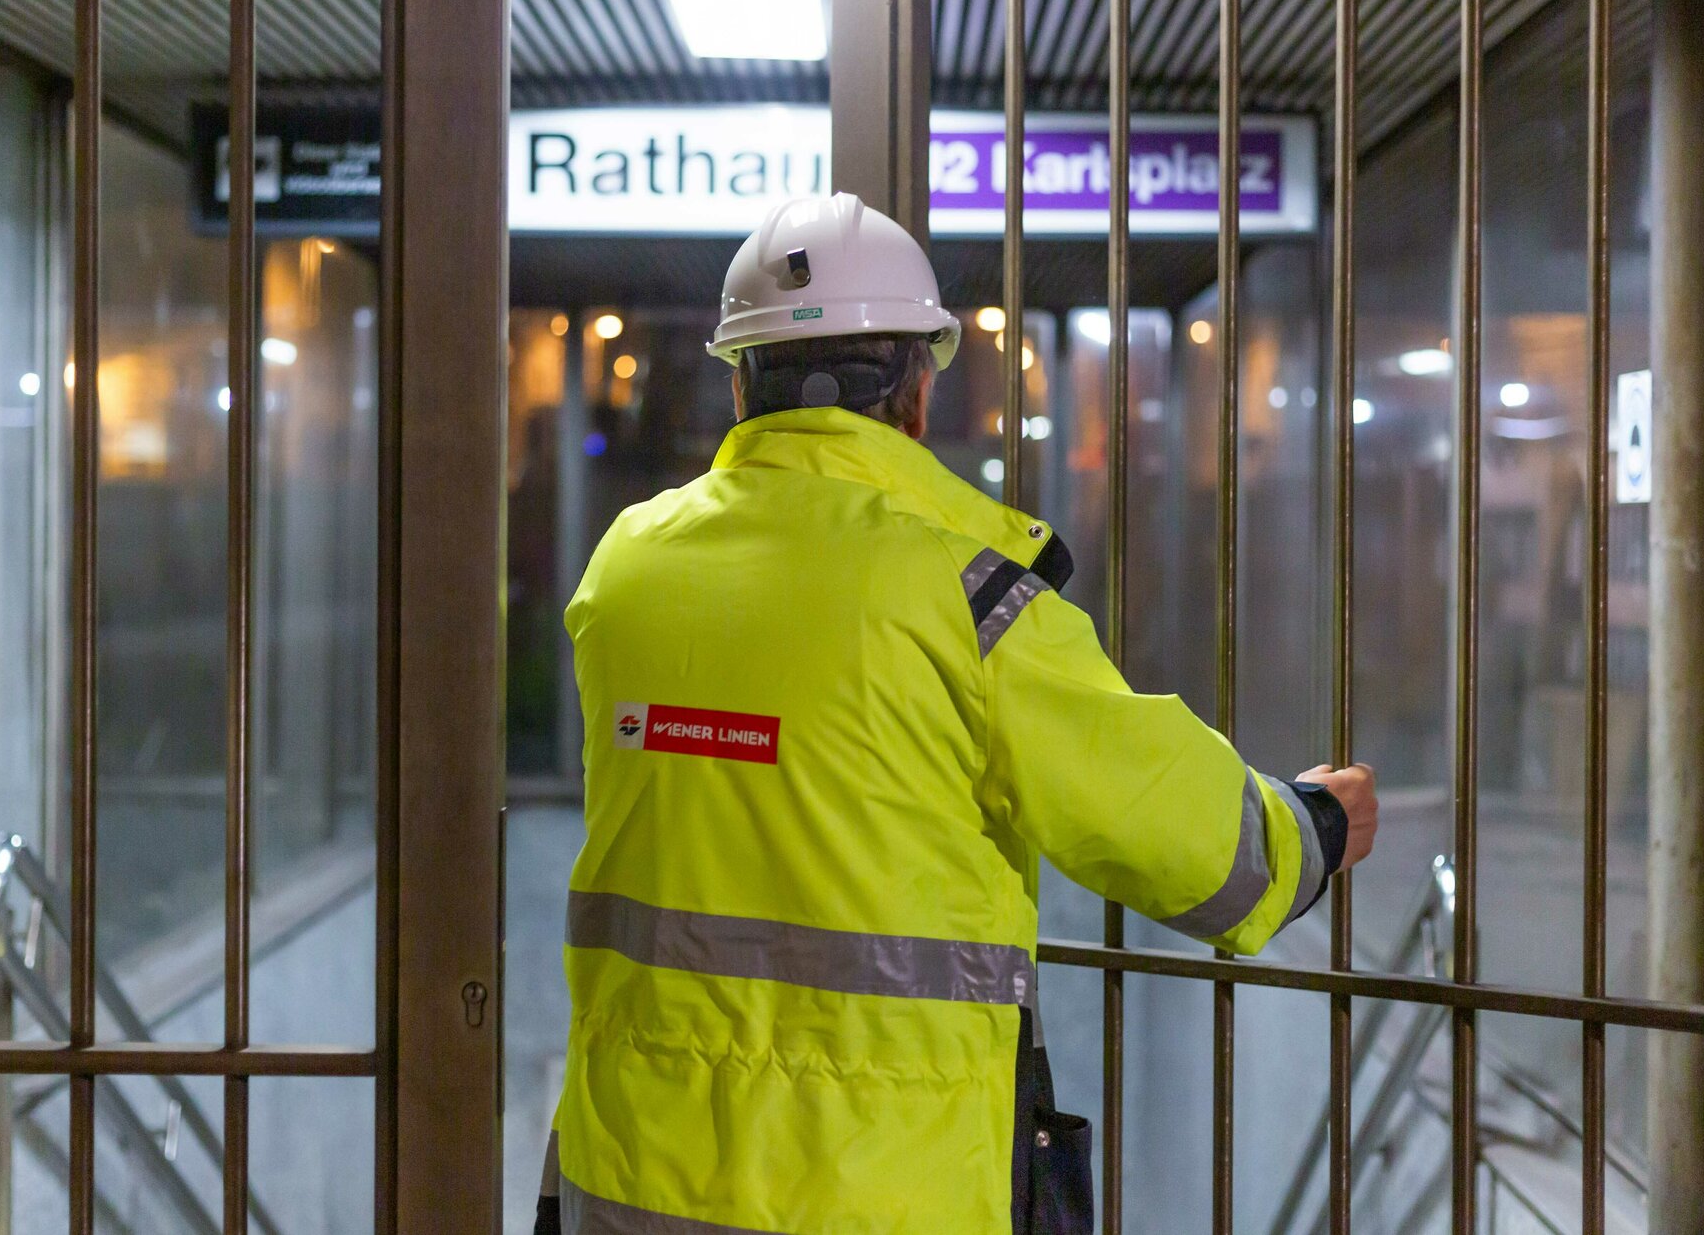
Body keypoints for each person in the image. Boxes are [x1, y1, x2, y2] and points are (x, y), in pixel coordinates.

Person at [538, 193, 1377, 1235]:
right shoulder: (969, 595)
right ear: (917, 390)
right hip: (876, 1196)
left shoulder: (626, 567)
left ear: (741, 381)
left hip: (630, 1183)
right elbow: (1189, 842)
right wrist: (1315, 826)